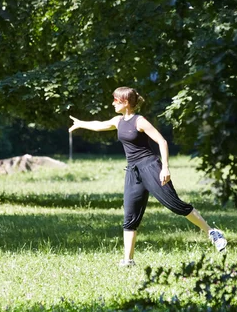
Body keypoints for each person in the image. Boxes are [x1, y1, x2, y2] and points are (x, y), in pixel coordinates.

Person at [69, 86, 227, 267]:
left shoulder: (140, 121)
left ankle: (212, 232)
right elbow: (99, 125)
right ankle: (128, 260)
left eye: (115, 100)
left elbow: (162, 141)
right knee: (130, 216)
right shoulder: (118, 121)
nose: (112, 103)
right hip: (133, 171)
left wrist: (165, 168)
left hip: (150, 167)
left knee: (175, 205)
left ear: (125, 102)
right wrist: (81, 123)